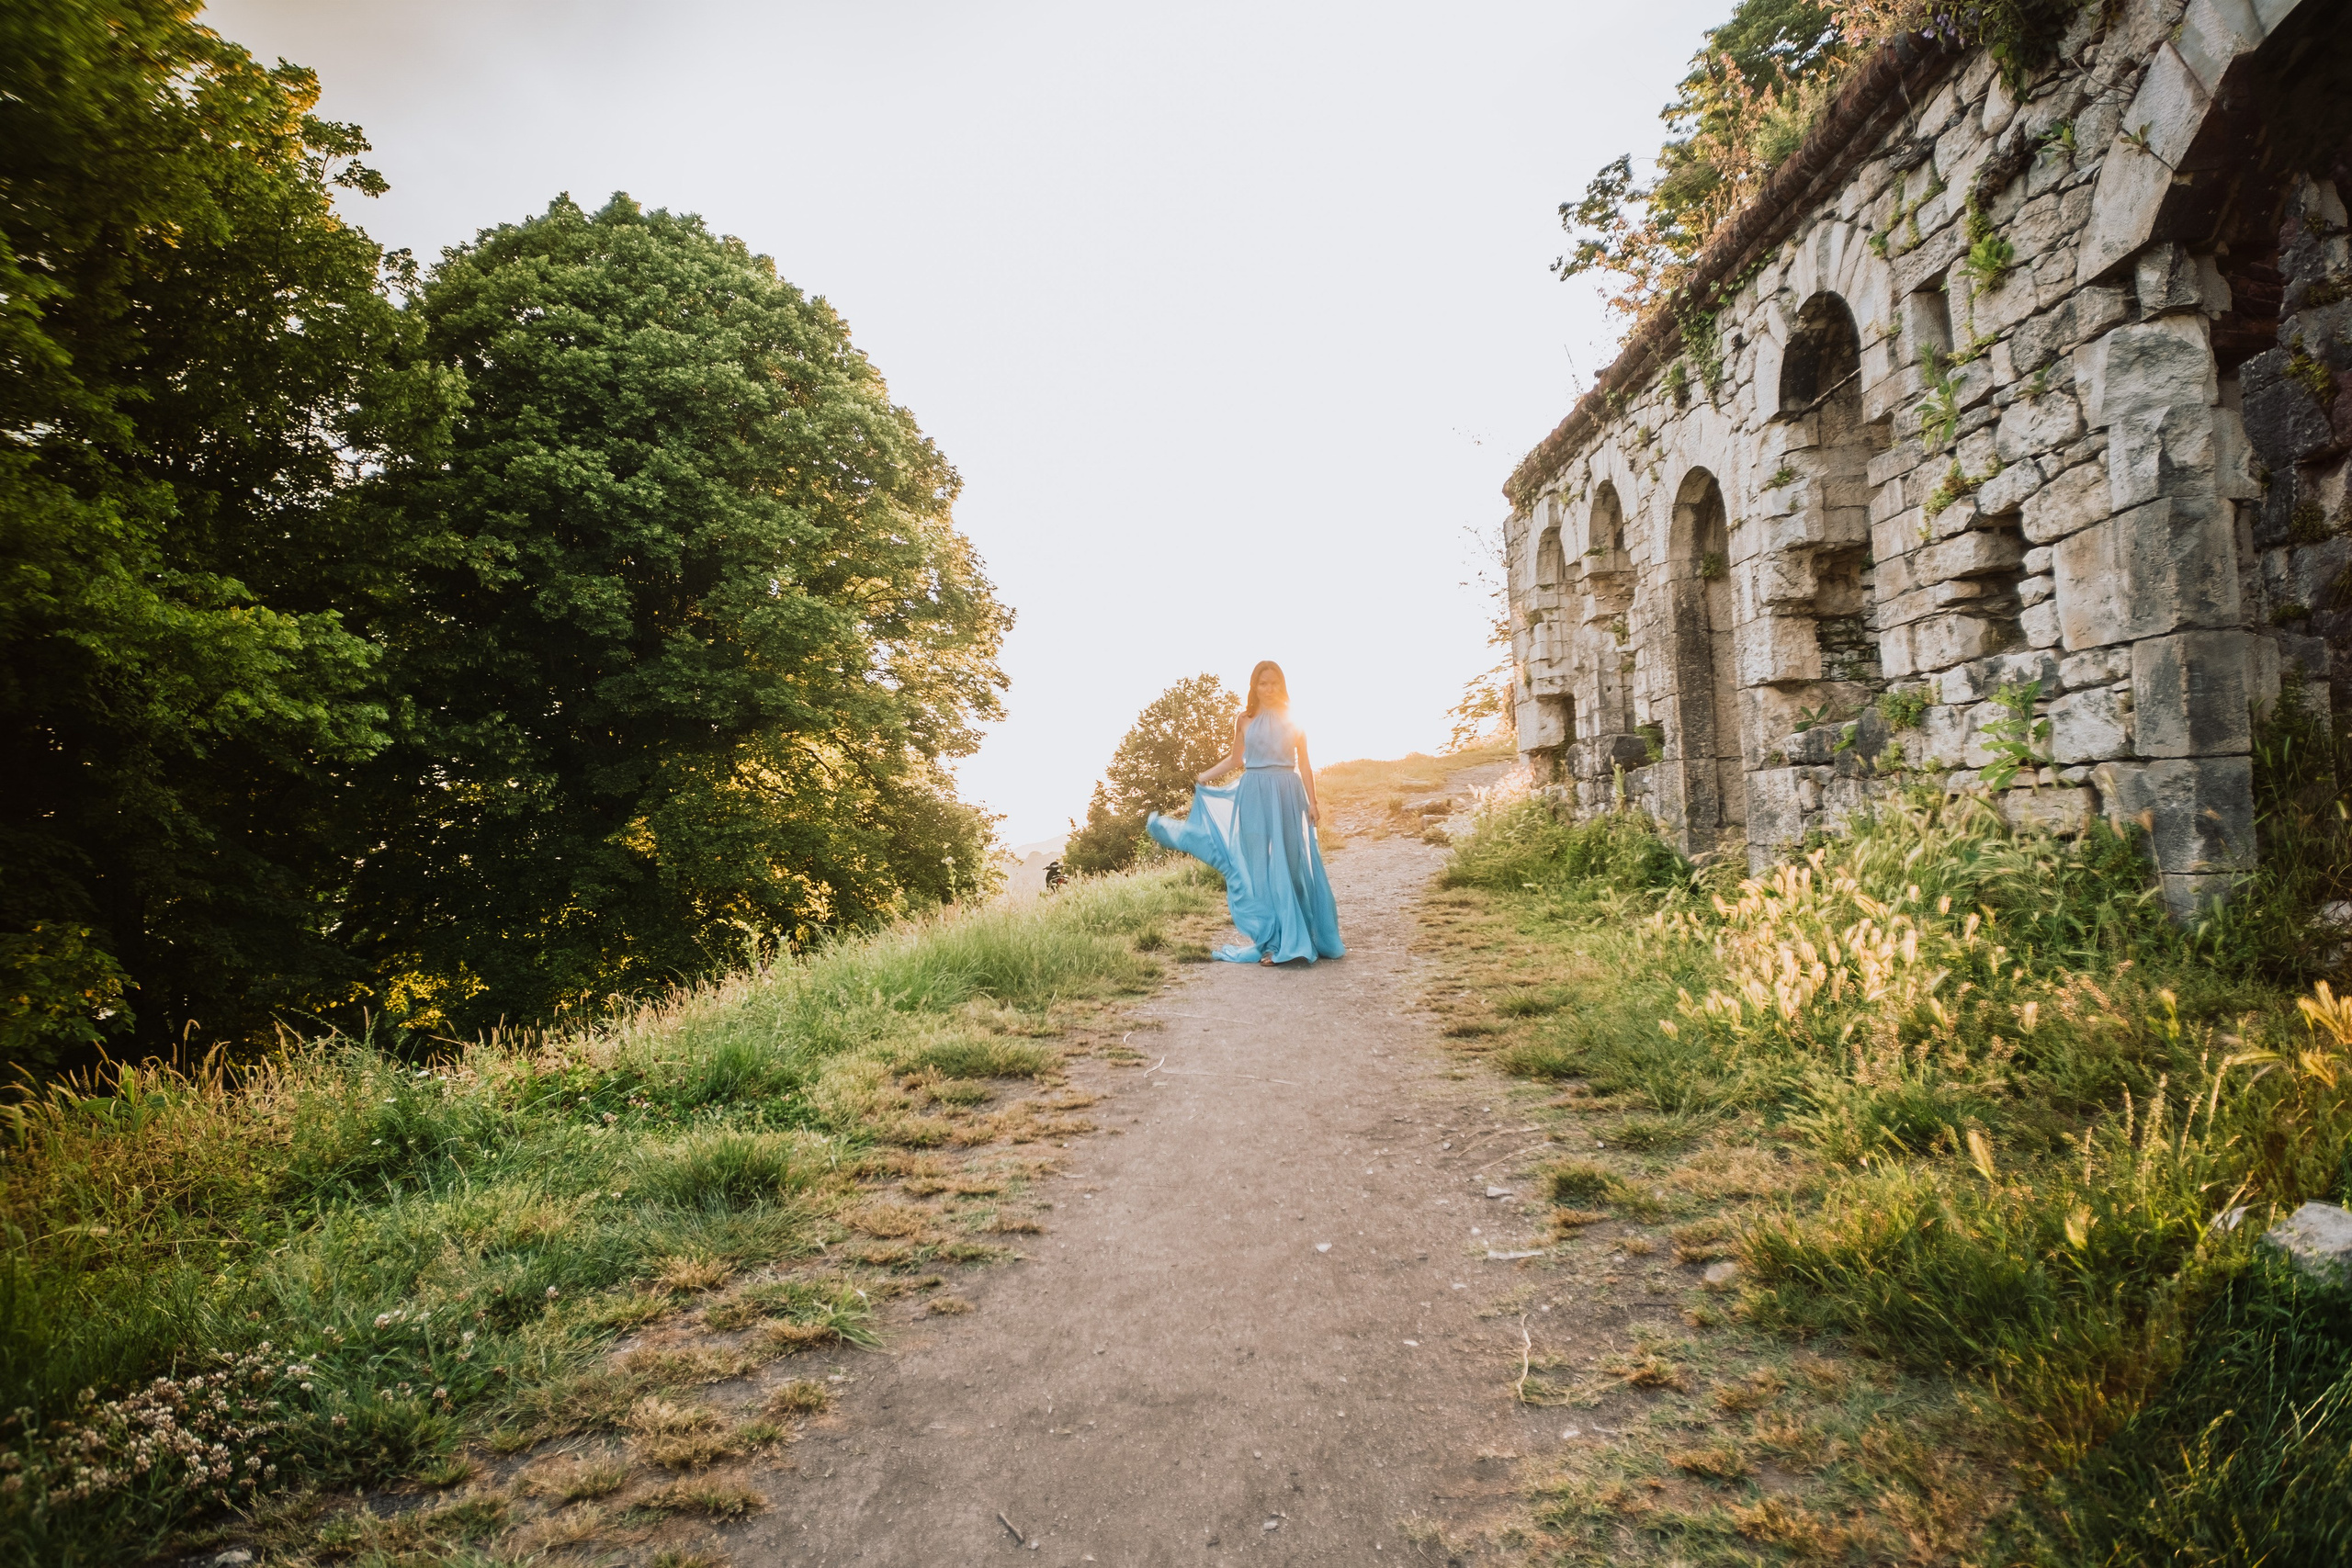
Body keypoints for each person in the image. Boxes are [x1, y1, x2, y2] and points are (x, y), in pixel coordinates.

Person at [1146, 660, 1345, 965]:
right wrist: (1205, 775)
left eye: (1273, 682)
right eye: (1262, 683)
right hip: (1252, 794)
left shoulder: (1294, 718)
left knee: (1290, 867)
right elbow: (1236, 759)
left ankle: (1298, 938)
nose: (1268, 688)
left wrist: (1313, 802)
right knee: (1258, 871)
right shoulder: (1244, 719)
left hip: (1286, 794)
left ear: (1282, 685)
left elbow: (1304, 762)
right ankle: (1274, 942)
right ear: (1254, 686)